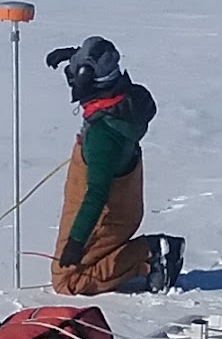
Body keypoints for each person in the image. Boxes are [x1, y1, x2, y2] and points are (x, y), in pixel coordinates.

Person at [46, 36, 183, 295]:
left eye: (75, 76)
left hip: (107, 216)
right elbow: (101, 64)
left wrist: (76, 241)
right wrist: (74, 55)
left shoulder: (102, 137)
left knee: (67, 281)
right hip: (123, 207)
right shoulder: (123, 103)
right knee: (70, 268)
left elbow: (96, 195)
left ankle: (153, 252)